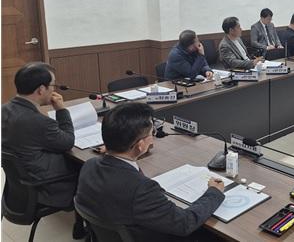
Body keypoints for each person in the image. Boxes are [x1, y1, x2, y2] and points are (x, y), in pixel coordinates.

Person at [75, 102, 225, 242]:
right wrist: (214, 192)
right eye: (152, 133)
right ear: (140, 145)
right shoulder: (141, 188)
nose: (153, 137)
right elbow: (184, 223)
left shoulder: (89, 166)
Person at [1, 62, 85, 238]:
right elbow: (68, 141)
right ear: (41, 89)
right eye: (53, 85)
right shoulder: (37, 122)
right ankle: (88, 226)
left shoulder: (4, 109)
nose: (54, 89)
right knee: (87, 166)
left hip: (19, 185)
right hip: (44, 185)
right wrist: (61, 110)